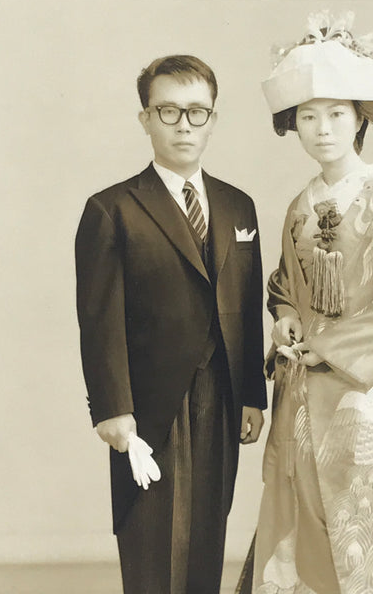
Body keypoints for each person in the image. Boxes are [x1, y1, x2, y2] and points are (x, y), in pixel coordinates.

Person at [238, 11, 373, 594]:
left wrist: (332, 347)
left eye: (335, 114)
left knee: (369, 518)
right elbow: (284, 285)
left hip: (363, 386)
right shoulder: (300, 205)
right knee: (302, 508)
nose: (322, 129)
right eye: (307, 116)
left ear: (359, 118)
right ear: (293, 125)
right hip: (304, 388)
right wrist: (285, 319)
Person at [75, 54, 267, 594]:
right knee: (153, 538)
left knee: (207, 530)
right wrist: (112, 408)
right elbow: (98, 319)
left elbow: (246, 306)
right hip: (149, 403)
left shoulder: (238, 206)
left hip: (221, 394)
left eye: (196, 112)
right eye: (168, 111)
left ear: (212, 119)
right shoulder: (112, 209)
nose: (184, 125)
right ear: (146, 119)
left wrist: (252, 395)